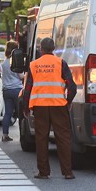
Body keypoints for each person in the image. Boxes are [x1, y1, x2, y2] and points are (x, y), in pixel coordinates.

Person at [21, 37, 77, 179]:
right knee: (63, 138)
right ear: (53, 49)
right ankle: (68, 172)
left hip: (40, 107)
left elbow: (28, 88)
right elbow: (72, 86)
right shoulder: (61, 63)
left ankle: (43, 172)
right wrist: (68, 101)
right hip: (59, 106)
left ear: (41, 49)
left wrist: (26, 107)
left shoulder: (34, 65)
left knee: (41, 139)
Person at [0, 40, 24, 142]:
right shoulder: (16, 62)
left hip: (6, 90)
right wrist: (26, 75)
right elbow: (21, 76)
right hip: (17, 89)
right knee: (21, 114)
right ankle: (23, 136)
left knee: (8, 113)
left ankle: (5, 135)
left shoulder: (4, 62)